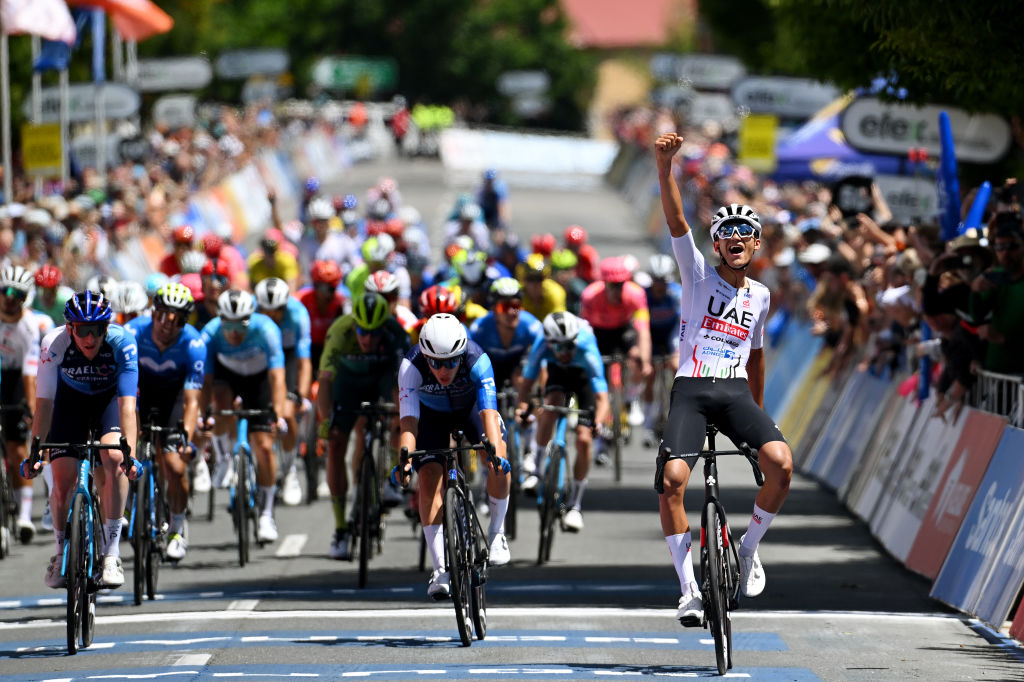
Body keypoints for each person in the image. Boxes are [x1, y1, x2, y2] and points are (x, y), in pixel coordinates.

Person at [654, 131, 793, 626]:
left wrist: (758, 419)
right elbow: (675, 219)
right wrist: (664, 167)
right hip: (691, 387)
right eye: (726, 235)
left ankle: (749, 548)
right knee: (673, 481)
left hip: (735, 394)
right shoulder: (695, 275)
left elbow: (756, 360)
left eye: (745, 236)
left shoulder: (761, 296)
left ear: (756, 244)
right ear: (716, 244)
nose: (736, 241)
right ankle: (689, 590)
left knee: (781, 464)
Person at [24, 291, 141, 589]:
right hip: (68, 405)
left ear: (106, 328)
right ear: (69, 329)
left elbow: (128, 405)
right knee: (62, 481)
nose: (90, 338)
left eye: (97, 330)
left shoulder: (123, 342)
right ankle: (61, 551)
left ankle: (111, 554)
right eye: (82, 330)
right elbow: (45, 403)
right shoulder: (54, 343)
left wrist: (131, 455)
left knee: (114, 459)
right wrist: (35, 451)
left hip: (107, 404)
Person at [394, 313, 511, 598]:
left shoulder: (477, 359)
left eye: (450, 362)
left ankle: (497, 534)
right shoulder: (411, 366)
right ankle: (439, 570)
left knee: (498, 457)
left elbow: (488, 412)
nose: (443, 370)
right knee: (429, 477)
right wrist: (405, 459)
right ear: (425, 356)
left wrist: (494, 453)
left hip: (470, 409)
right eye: (434, 362)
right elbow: (408, 422)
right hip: (431, 417)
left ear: (461, 353)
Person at [317, 292, 410, 559]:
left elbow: (405, 383)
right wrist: (326, 422)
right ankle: (341, 528)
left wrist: (402, 420)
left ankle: (392, 473)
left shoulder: (395, 334)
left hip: (382, 378)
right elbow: (325, 382)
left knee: (399, 409)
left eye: (374, 332)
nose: (367, 338)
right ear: (353, 323)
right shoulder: (340, 332)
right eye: (362, 331)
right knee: (335, 443)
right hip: (348, 383)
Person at [124, 283, 206, 561]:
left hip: (173, 399)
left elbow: (192, 400)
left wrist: (188, 439)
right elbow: (123, 391)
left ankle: (176, 530)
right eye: (161, 315)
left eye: (176, 319)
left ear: (184, 321)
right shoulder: (134, 332)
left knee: (174, 465)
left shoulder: (194, 344)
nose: (167, 324)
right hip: (139, 395)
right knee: (124, 452)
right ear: (153, 312)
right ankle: (125, 508)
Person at [200, 289, 288, 543]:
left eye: (242, 324)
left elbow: (277, 377)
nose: (235, 331)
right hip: (227, 375)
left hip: (259, 379)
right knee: (219, 400)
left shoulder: (267, 329)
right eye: (229, 324)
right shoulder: (211, 333)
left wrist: (278, 415)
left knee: (264, 447)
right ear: (220, 318)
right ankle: (224, 457)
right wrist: (205, 414)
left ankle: (266, 514)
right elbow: (205, 381)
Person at [516, 311, 610, 530]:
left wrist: (598, 422)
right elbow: (526, 387)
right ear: (549, 343)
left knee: (584, 439)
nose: (566, 352)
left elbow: (602, 398)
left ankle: (575, 505)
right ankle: (537, 471)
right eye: (559, 347)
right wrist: (523, 410)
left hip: (583, 376)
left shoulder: (586, 347)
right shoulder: (541, 345)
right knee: (549, 408)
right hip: (557, 372)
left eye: (570, 346)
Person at [254, 277, 313, 507]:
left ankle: (289, 472)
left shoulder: (298, 315)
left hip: (287, 358)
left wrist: (301, 394)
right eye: (264, 310)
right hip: (259, 356)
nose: (270, 316)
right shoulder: (249, 310)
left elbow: (303, 361)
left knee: (287, 412)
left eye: (276, 311)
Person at [580, 256, 654, 430]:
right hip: (598, 332)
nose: (616, 290)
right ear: (604, 283)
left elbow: (643, 330)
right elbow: (584, 331)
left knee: (638, 358)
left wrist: (645, 360)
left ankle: (632, 397)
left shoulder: (636, 294)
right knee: (595, 369)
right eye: (612, 285)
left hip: (623, 330)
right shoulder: (590, 296)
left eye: (620, 285)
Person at [0, 265, 41, 542]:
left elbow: (30, 374)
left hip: (16, 380)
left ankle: (25, 515)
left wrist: (31, 409)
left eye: (18, 294)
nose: (10, 297)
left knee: (16, 451)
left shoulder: (29, 326)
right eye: (5, 291)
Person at [642, 254, 683, 446]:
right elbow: (640, 327)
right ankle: (648, 424)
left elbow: (684, 324)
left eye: (663, 280)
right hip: (650, 334)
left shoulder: (677, 294)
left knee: (676, 366)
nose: (659, 285)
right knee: (648, 373)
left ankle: (675, 416)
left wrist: (679, 351)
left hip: (671, 334)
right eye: (656, 280)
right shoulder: (643, 295)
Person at [299, 260, 348, 370]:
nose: (327, 294)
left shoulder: (342, 303)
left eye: (332, 289)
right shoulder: (302, 300)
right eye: (322, 287)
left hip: (331, 349)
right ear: (314, 285)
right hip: (306, 349)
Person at [518, 253, 566, 321]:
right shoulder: (518, 295)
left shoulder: (556, 293)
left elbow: (559, 321)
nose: (534, 284)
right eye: (530, 279)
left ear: (545, 279)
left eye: (539, 278)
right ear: (523, 280)